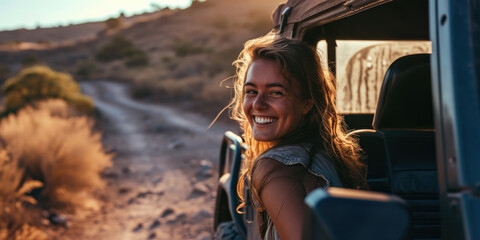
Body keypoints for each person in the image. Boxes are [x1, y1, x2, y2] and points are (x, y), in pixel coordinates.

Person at [228, 32, 367, 240]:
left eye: (276, 92)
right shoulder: (325, 151)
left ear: (306, 103)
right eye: (251, 91)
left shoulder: (275, 167)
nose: (257, 104)